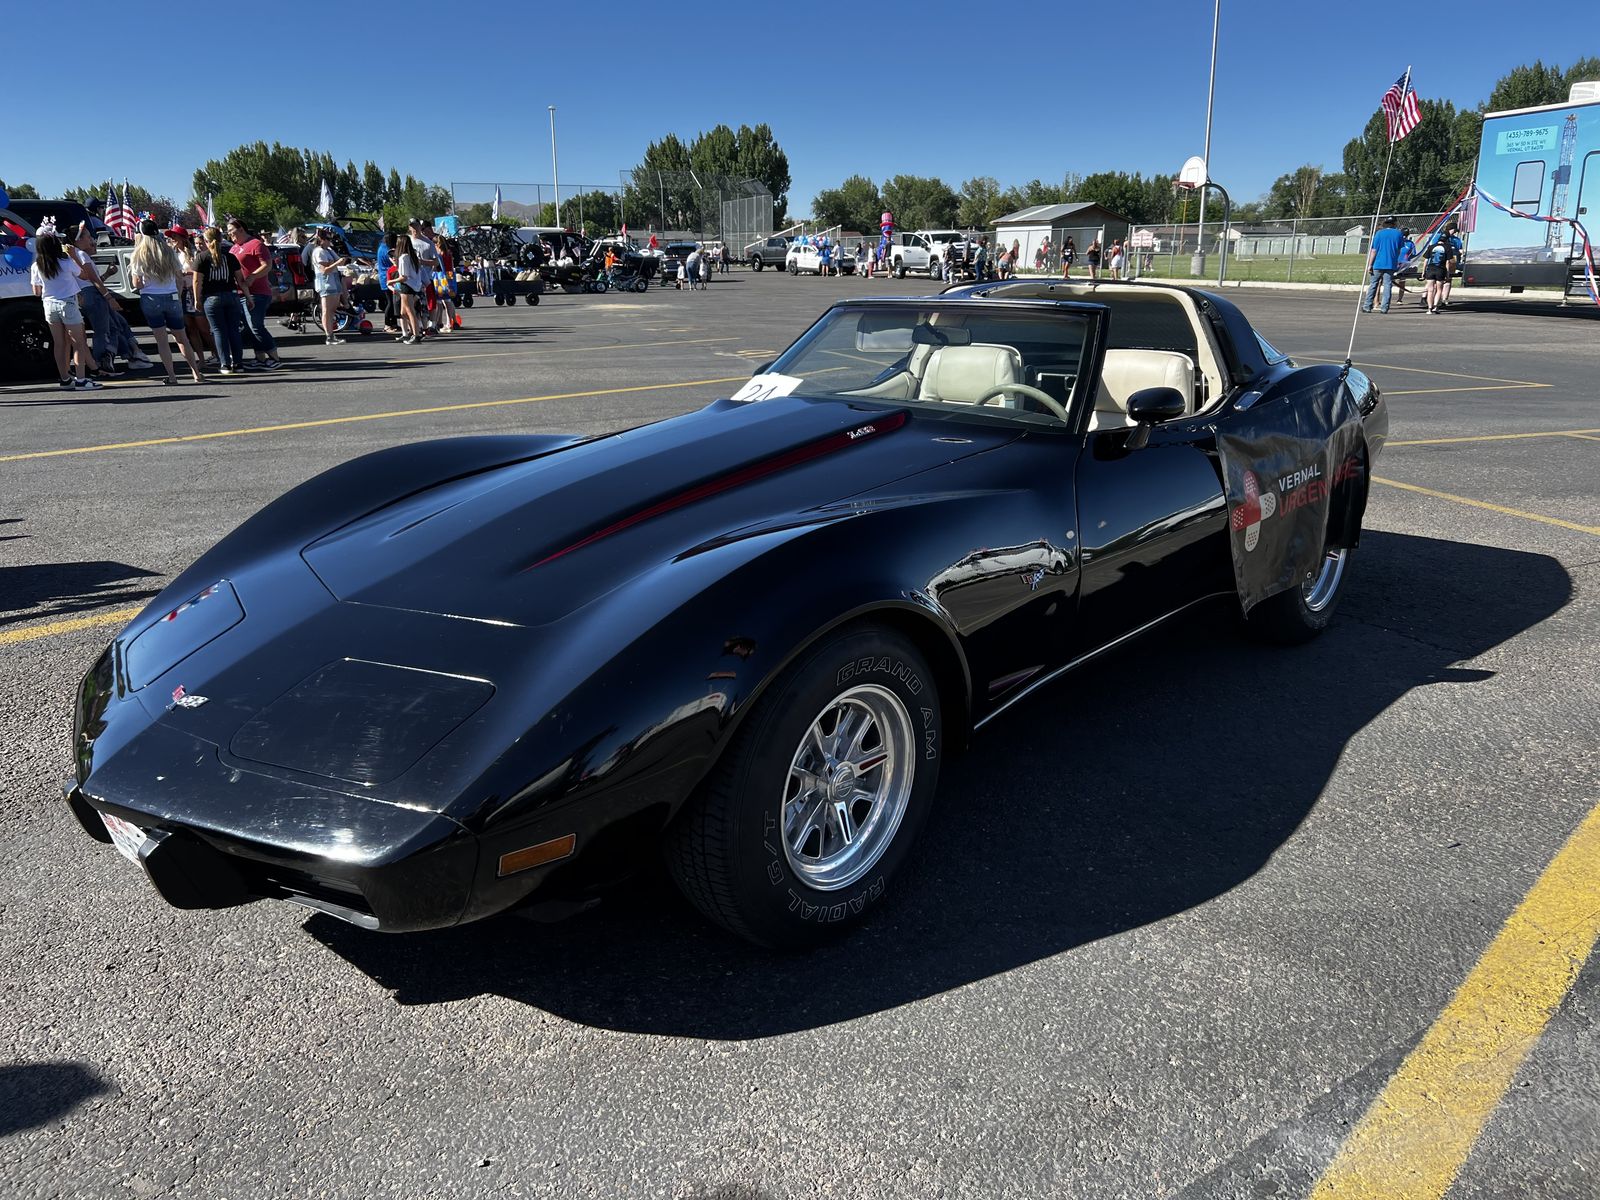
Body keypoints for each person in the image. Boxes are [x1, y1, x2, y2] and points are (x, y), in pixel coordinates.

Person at [130, 219, 204, 384]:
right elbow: (179, 277)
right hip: (171, 296)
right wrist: (176, 293)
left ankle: (172, 376)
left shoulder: (138, 253)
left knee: (162, 340)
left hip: (150, 297)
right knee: (182, 338)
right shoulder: (169, 251)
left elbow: (136, 283)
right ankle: (196, 373)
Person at [30, 221, 101, 390]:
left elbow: (36, 292)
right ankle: (82, 379)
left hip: (49, 305)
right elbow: (84, 275)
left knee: (59, 343)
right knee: (78, 342)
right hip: (67, 303)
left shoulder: (36, 266)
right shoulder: (66, 262)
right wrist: (74, 256)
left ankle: (64, 378)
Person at [67, 222, 131, 377]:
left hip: (82, 294)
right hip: (93, 295)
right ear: (78, 240)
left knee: (112, 327)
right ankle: (102, 364)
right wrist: (109, 298)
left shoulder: (71, 255)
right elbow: (93, 279)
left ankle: (111, 358)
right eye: (88, 237)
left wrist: (107, 275)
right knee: (102, 331)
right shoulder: (81, 255)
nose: (92, 240)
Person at [226, 217, 281, 370]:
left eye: (231, 230)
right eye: (228, 231)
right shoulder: (234, 248)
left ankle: (274, 357)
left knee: (256, 325)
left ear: (241, 229)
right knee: (250, 327)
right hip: (240, 293)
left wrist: (252, 276)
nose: (230, 234)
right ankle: (260, 357)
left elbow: (267, 265)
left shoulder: (256, 244)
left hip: (258, 292)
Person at [193, 225, 249, 372]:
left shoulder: (202, 258)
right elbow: (240, 280)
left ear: (206, 240)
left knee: (219, 331)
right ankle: (238, 363)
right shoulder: (230, 257)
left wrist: (197, 299)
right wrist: (249, 297)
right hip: (232, 295)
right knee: (233, 330)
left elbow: (197, 281)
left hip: (211, 298)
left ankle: (225, 364)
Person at [166, 227, 216, 363]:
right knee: (191, 329)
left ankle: (216, 353)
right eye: (171, 237)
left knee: (203, 328)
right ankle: (200, 358)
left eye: (175, 236)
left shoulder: (195, 253)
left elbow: (200, 273)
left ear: (183, 238)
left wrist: (186, 274)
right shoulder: (173, 255)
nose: (172, 240)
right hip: (182, 293)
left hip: (195, 292)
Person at [307, 228, 349, 345]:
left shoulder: (329, 250)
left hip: (334, 280)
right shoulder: (318, 251)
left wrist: (339, 261)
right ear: (321, 240)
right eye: (328, 239)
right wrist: (336, 263)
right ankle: (329, 336)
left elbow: (338, 261)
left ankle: (332, 334)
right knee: (327, 310)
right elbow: (324, 270)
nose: (330, 241)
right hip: (325, 282)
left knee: (332, 309)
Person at [1361, 215, 1404, 314]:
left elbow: (1374, 250)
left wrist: (1370, 264)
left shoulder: (1379, 233)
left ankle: (1367, 305)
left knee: (1373, 284)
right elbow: (1399, 249)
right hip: (1391, 263)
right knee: (1387, 285)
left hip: (1378, 263)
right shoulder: (1398, 234)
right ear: (1395, 224)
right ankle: (1384, 307)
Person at [392, 232, 422, 343]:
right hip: (413, 285)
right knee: (403, 312)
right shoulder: (412, 256)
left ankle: (416, 334)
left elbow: (403, 277)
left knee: (409, 311)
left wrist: (391, 281)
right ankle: (413, 331)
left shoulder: (404, 257)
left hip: (407, 286)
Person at [1422, 229, 1455, 315]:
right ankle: (1436, 306)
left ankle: (1429, 308)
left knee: (1430, 290)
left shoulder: (1431, 246)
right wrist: (1447, 274)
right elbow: (1448, 262)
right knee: (1439, 289)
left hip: (1430, 269)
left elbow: (1426, 260)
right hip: (1440, 269)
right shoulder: (1448, 248)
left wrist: (1423, 271)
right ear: (1447, 239)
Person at [376, 232, 398, 333]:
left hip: (383, 276)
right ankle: (387, 324)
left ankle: (393, 323)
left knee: (392, 301)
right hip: (387, 276)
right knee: (390, 302)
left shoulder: (381, 247)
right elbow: (393, 262)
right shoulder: (387, 250)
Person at [1441, 224, 1464, 307]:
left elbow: (1460, 250)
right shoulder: (1440, 236)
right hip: (1440, 261)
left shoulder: (1456, 240)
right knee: (1438, 281)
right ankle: (1434, 298)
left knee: (1448, 280)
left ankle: (1445, 298)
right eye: (1453, 230)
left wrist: (1460, 253)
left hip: (1452, 261)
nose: (1454, 232)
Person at [1395, 227, 1417, 302]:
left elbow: (1413, 254)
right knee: (1390, 281)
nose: (1404, 236)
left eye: (1406, 235)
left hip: (1404, 265)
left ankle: (1399, 299)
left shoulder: (1410, 243)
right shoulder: (1397, 242)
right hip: (1395, 264)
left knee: (1402, 281)